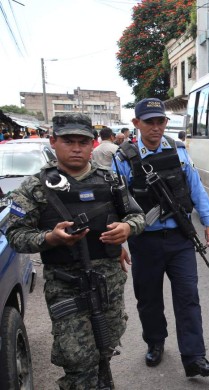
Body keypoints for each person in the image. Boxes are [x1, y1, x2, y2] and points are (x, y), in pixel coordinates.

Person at [5, 113, 145, 389]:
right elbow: (14, 234)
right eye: (69, 141)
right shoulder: (34, 187)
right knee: (76, 358)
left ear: (93, 144)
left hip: (107, 286)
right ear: (54, 141)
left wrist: (127, 229)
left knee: (106, 344)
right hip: (66, 286)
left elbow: (138, 216)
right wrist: (50, 238)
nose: (77, 148)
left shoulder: (111, 181)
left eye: (83, 141)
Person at [113, 98, 209, 378]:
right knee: (148, 299)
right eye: (149, 121)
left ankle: (194, 357)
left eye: (160, 121)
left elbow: (196, 189)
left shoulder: (179, 151)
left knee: (188, 297)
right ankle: (155, 341)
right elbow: (115, 203)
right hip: (144, 242)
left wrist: (208, 223)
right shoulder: (123, 158)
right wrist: (117, 243)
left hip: (180, 239)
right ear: (136, 124)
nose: (156, 127)